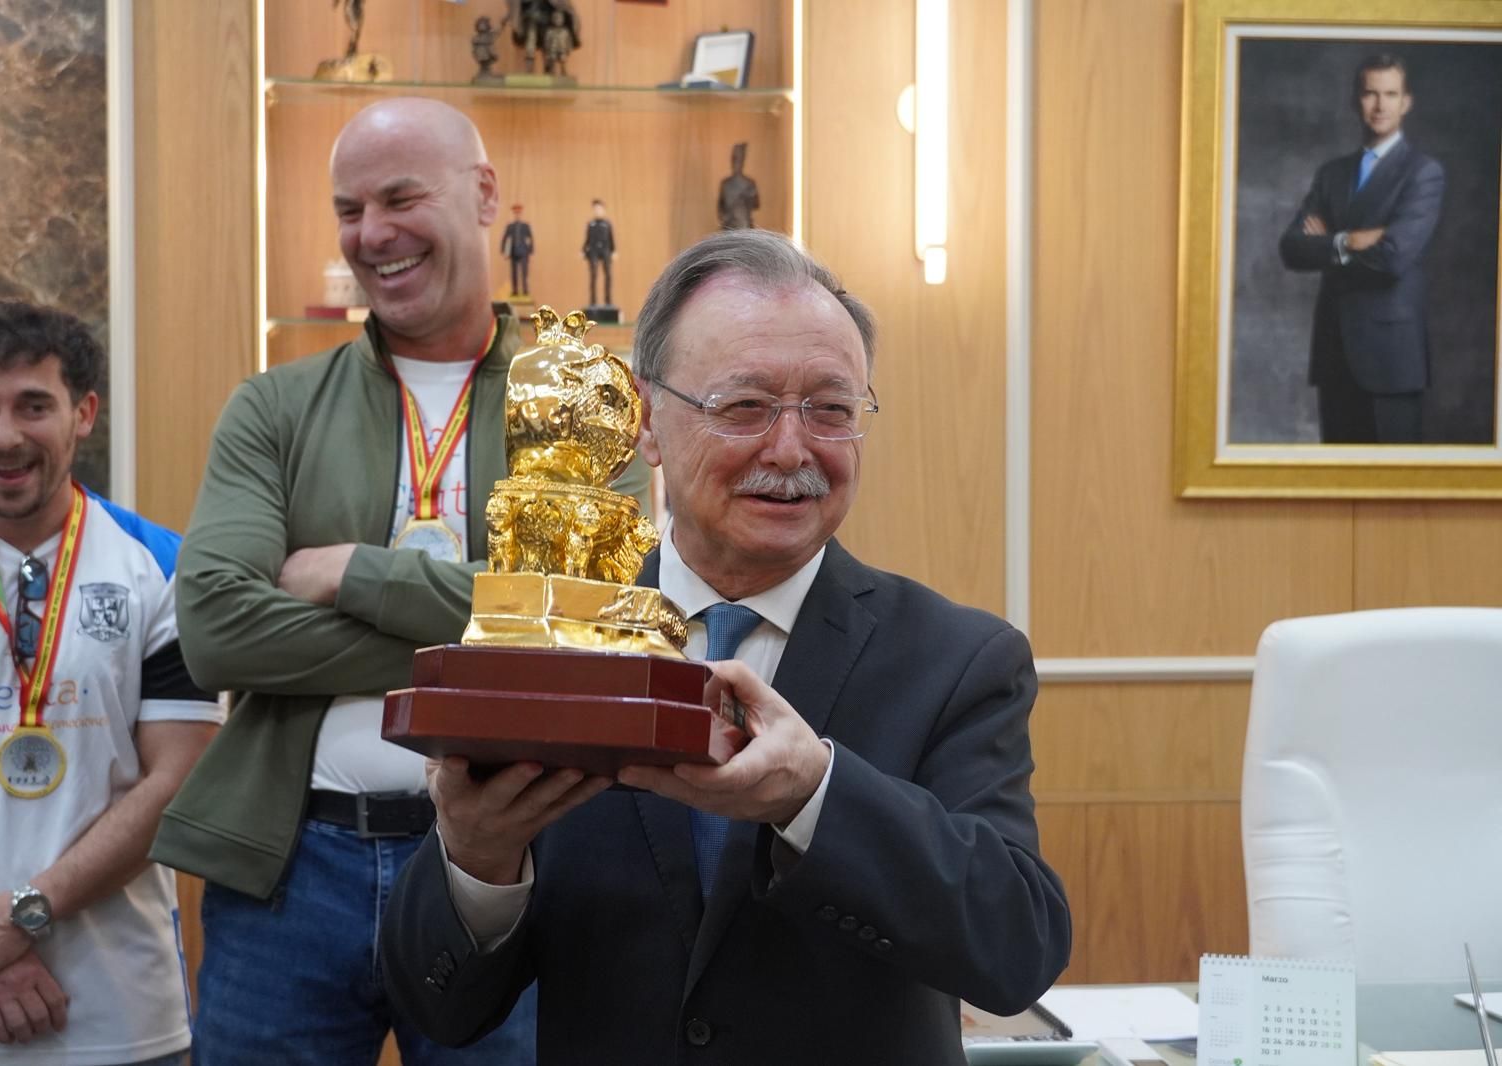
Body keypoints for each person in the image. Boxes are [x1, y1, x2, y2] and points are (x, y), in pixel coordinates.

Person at [378, 230, 1072, 1064]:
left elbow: (1016, 948)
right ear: (647, 422)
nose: (791, 449)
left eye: (831, 410)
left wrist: (814, 796)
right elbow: (437, 1006)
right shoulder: (551, 636)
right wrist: (475, 858)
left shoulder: (956, 660)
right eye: (744, 406)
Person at [149, 98, 647, 1065]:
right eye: (349, 209)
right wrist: (494, 626)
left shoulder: (585, 399)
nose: (371, 233)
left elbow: (588, 619)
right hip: (290, 870)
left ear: (484, 195)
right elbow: (214, 629)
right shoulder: (274, 407)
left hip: (516, 864)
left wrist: (352, 573)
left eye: (400, 198)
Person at [0, 300, 221, 1064]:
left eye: (33, 406)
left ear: (84, 413)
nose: (4, 435)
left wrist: (21, 915)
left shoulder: (162, 569)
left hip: (122, 1019)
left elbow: (178, 778)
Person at [1279, 53, 1445, 444]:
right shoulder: (1332, 173)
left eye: (1391, 94)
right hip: (1334, 353)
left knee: (1393, 479)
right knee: (1337, 476)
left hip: (1391, 359)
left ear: (1406, 102)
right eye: (1371, 93)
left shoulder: (1423, 173)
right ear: (1357, 100)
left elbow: (1393, 258)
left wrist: (1327, 243)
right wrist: (1349, 240)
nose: (1380, 105)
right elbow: (1292, 248)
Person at [717, 141, 759, 230]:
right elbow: (721, 209)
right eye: (734, 159)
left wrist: (747, 198)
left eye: (739, 160)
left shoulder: (749, 183)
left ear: (743, 161)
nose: (736, 163)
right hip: (729, 226)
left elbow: (756, 204)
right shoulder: (725, 184)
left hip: (744, 226)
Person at [582, 198, 615, 308]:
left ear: (603, 210)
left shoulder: (607, 224)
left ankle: (608, 301)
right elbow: (587, 239)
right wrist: (583, 250)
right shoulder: (591, 224)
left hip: (605, 250)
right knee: (593, 275)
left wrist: (613, 251)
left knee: (608, 275)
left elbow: (611, 239)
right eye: (596, 209)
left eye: (599, 209)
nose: (598, 211)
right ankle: (593, 301)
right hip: (593, 251)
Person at [501, 203, 533, 299]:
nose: (517, 214)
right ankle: (515, 291)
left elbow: (530, 238)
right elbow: (505, 238)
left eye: (519, 212)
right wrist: (504, 251)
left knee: (524, 273)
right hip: (513, 252)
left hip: (524, 252)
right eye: (515, 212)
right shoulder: (510, 226)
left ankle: (525, 290)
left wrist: (530, 250)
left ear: (521, 213)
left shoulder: (525, 226)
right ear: (513, 213)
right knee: (514, 273)